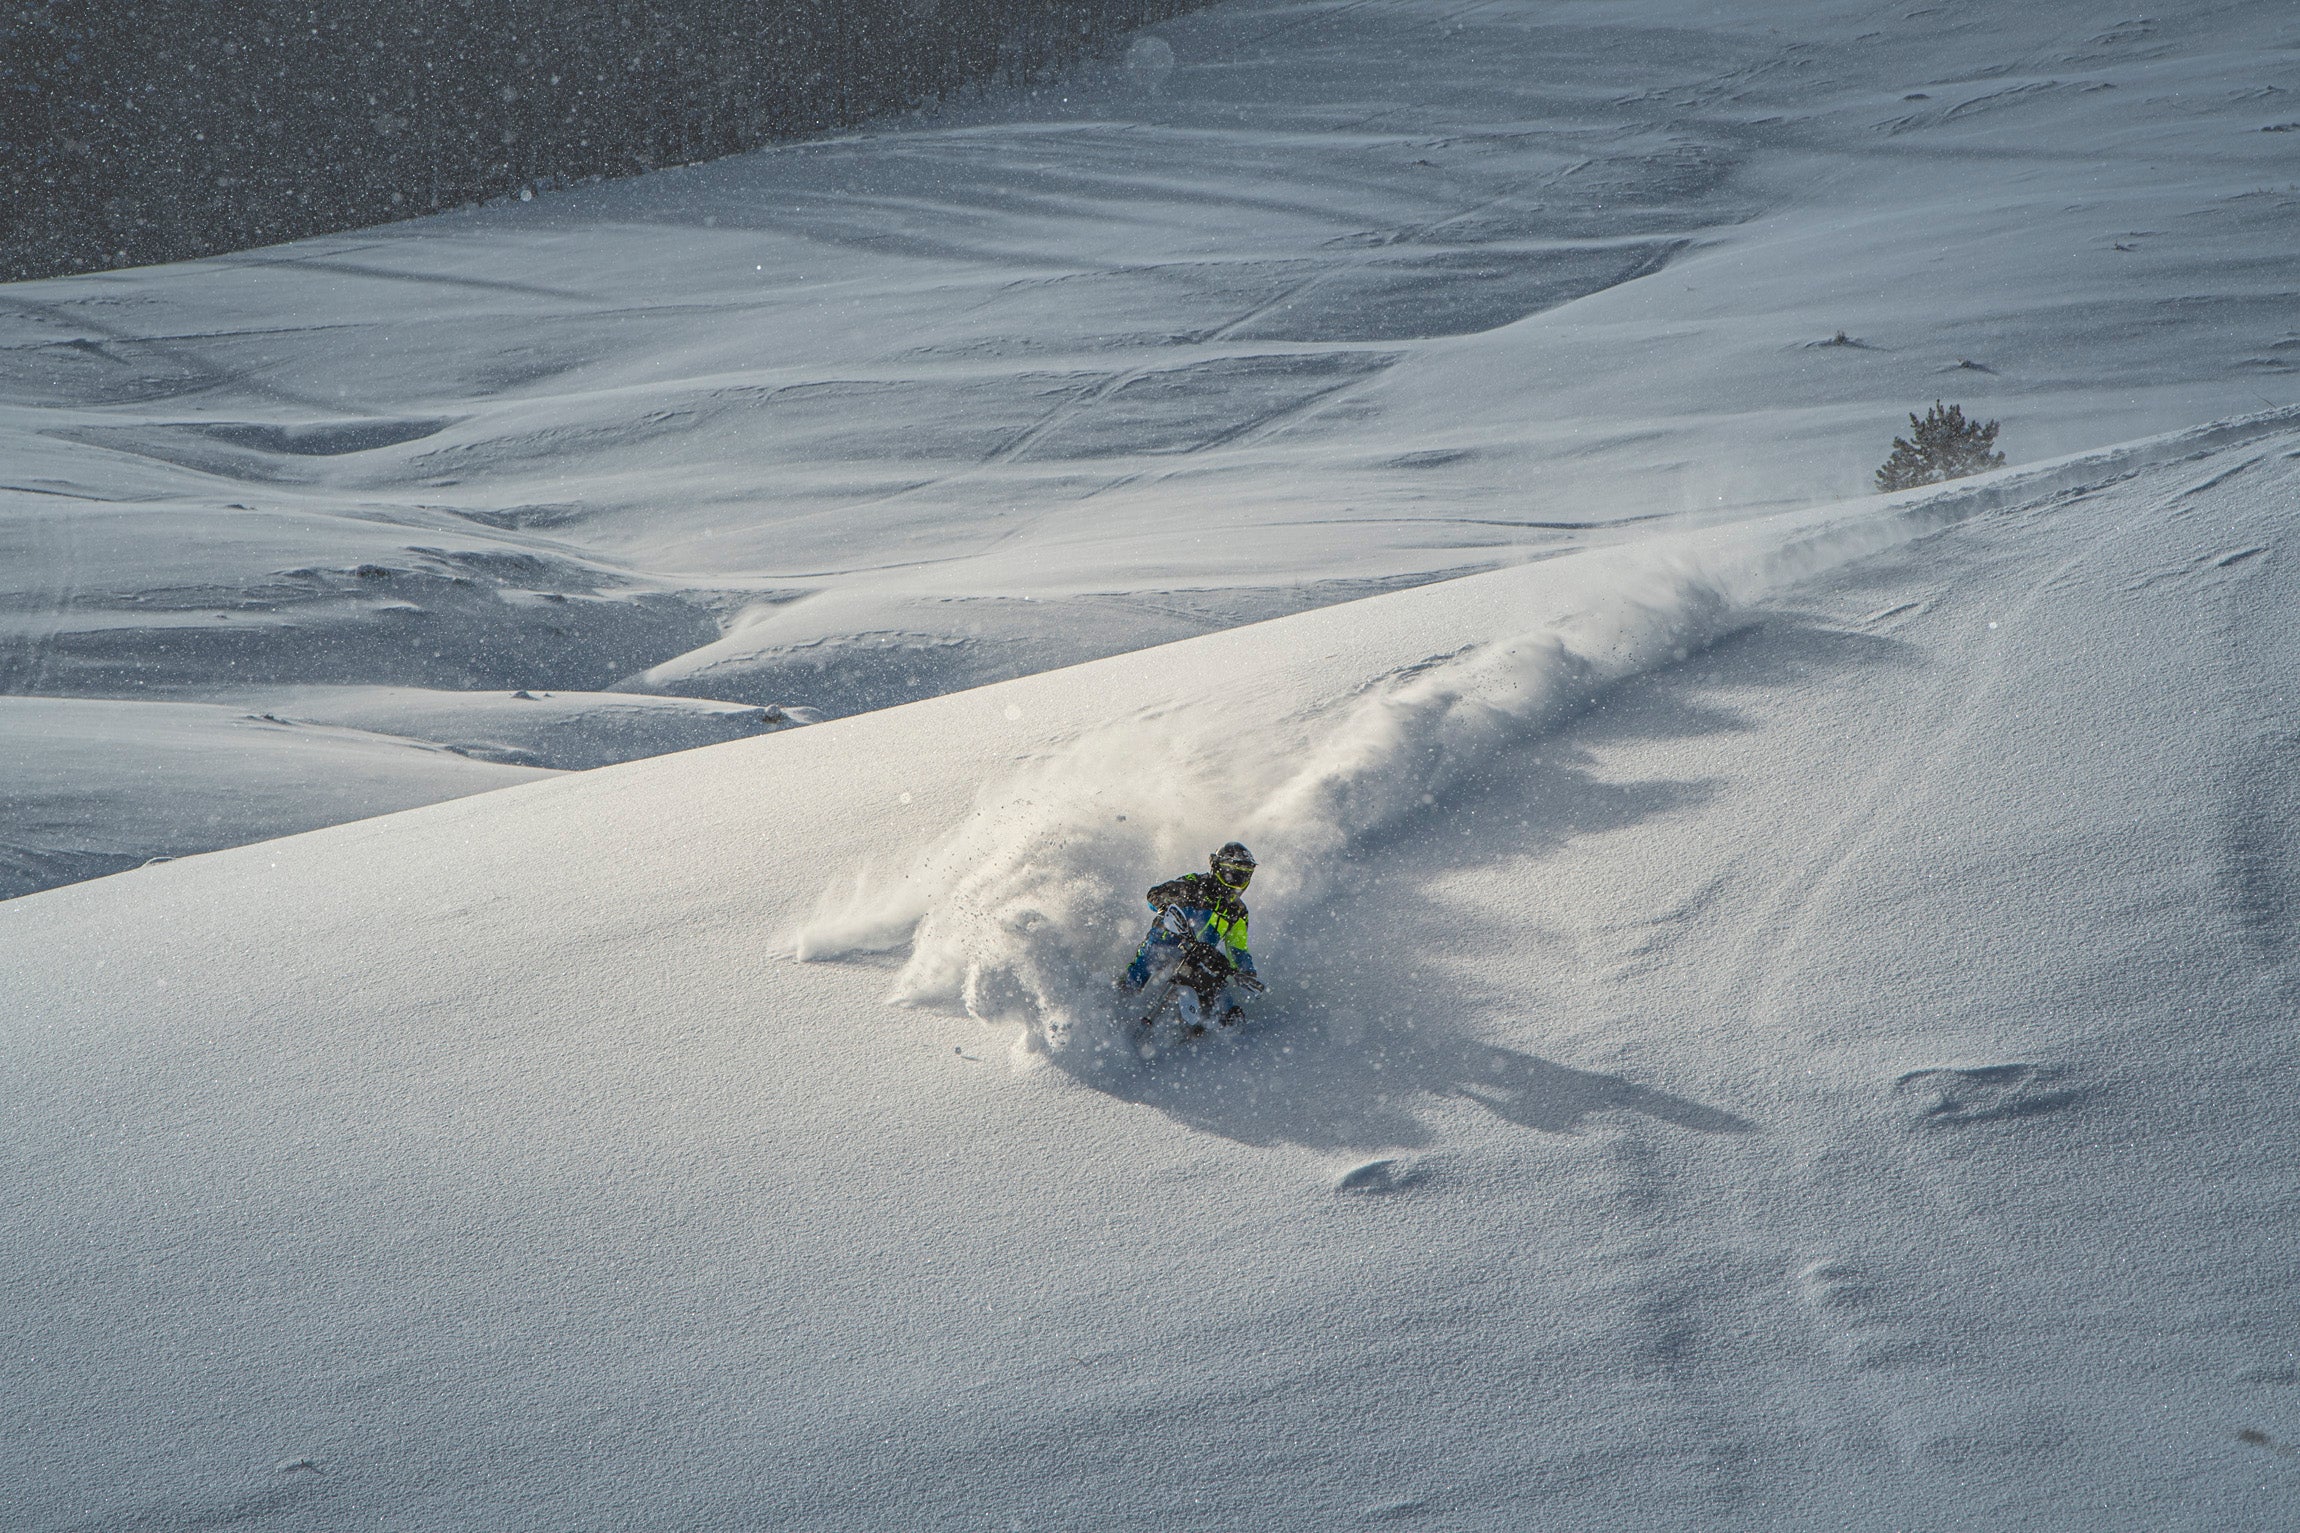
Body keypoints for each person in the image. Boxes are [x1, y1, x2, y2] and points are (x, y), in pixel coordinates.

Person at [1121, 841, 1265, 1032]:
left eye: (1244, 874)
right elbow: (1155, 894)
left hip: (1199, 955)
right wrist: (1164, 904)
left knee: (1220, 990)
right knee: (1140, 971)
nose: (1238, 880)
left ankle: (1212, 1035)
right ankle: (1116, 1008)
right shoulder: (1195, 883)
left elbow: (1238, 948)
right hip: (1167, 940)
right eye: (1233, 873)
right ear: (1217, 869)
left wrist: (1246, 972)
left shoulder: (1238, 911)